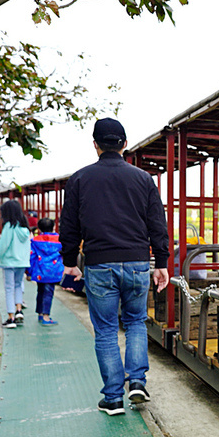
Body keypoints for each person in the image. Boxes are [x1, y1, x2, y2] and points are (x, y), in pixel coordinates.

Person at [61, 117, 169, 416]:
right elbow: (157, 225)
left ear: (95, 144)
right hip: (136, 262)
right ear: (124, 144)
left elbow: (68, 226)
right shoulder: (143, 179)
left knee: (107, 330)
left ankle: (113, 398)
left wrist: (70, 262)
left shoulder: (80, 179)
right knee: (135, 322)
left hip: (99, 264)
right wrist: (161, 262)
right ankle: (137, 382)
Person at [0, 200, 31, 329]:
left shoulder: (9, 227)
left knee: (9, 289)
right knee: (18, 286)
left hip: (9, 262)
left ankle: (10, 318)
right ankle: (19, 310)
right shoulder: (25, 228)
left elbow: (3, 246)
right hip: (22, 263)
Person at [29, 217, 62, 325]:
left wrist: (29, 271)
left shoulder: (35, 240)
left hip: (39, 271)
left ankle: (40, 313)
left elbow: (32, 256)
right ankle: (46, 316)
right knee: (49, 293)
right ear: (53, 227)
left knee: (40, 291)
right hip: (53, 271)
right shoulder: (59, 240)